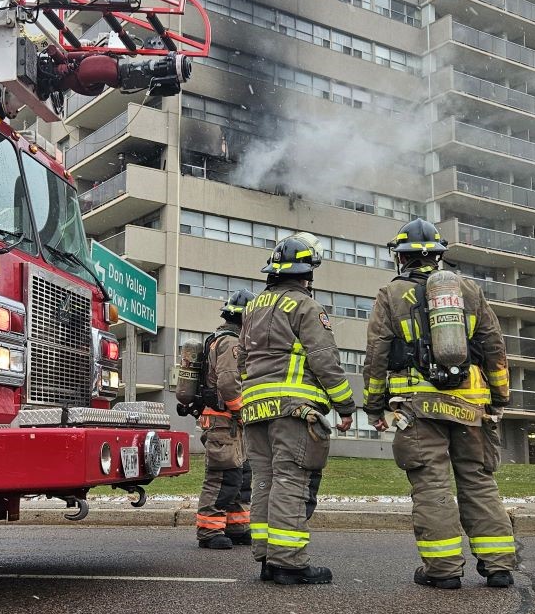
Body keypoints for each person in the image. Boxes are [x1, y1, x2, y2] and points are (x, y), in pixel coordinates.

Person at [363, 218, 516, 590]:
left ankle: (444, 571)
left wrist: (373, 406)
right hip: (471, 406)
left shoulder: (391, 294)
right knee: (478, 481)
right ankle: (498, 566)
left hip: (419, 409)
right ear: (439, 255)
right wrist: (499, 398)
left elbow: (377, 355)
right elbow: (494, 348)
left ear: (401, 258)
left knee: (431, 486)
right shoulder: (469, 289)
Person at [237, 233, 355, 585]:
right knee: (291, 481)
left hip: (255, 410)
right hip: (292, 410)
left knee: (264, 482)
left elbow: (242, 359)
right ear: (307, 274)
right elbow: (324, 360)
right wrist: (345, 405)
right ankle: (288, 563)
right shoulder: (306, 306)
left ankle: (267, 559)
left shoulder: (253, 308)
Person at [195, 289, 256, 550]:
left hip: (231, 421)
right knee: (223, 476)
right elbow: (229, 382)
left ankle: (237, 526)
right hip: (225, 420)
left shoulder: (224, 340)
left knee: (242, 475)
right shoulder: (231, 343)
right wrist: (242, 412)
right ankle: (209, 530)